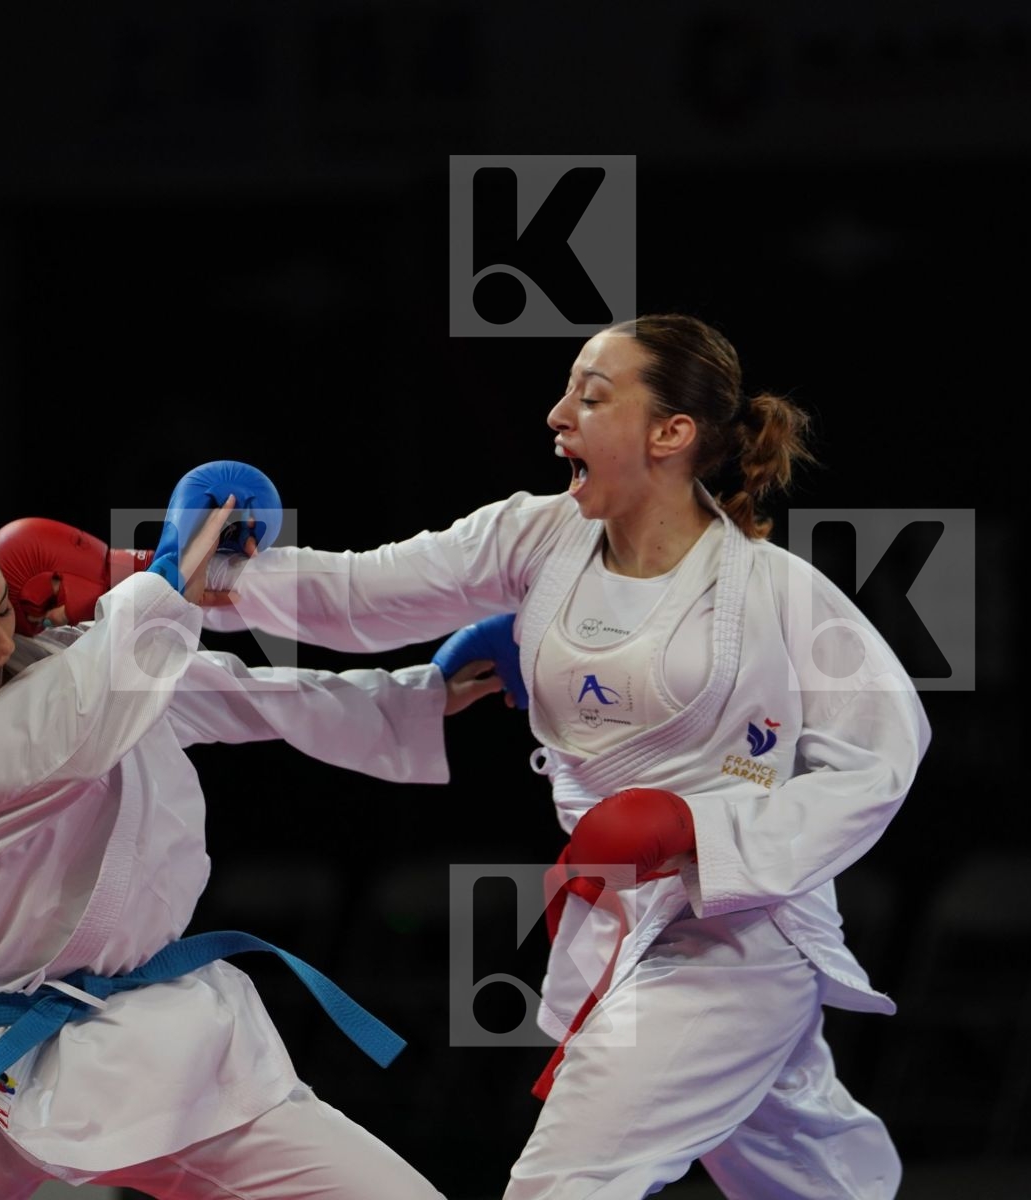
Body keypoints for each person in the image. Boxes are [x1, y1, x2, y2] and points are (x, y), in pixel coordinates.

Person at [199, 314, 932, 1199]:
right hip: (625, 929)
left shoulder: (774, 592)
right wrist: (173, 575)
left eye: (591, 397)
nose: (557, 416)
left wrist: (699, 828)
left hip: (735, 939)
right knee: (810, 1176)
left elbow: (884, 752)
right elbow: (361, 593)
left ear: (672, 434)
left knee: (568, 1182)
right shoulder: (538, 540)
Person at [0, 474, 499, 1199]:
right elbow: (63, 736)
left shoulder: (59, 666)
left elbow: (219, 689)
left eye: (5, 610)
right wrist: (161, 579)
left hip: (153, 1048)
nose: (3, 643)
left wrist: (413, 696)